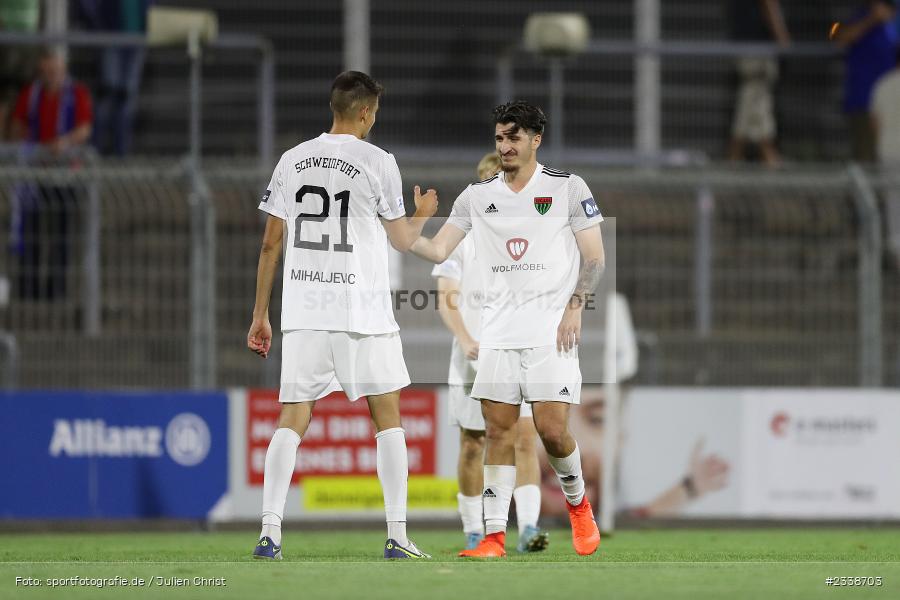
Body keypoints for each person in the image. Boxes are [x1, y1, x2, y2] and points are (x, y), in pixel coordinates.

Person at [246, 71, 438, 560]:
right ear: (365, 112)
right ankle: (397, 535)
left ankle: (269, 532)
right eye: (375, 113)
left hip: (304, 310)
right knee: (387, 418)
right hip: (362, 311)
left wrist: (260, 314)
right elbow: (402, 240)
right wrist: (423, 212)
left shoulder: (291, 160)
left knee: (292, 418)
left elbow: (270, 243)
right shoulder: (378, 161)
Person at [411, 100, 605, 558]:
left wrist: (575, 305)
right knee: (497, 434)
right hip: (498, 335)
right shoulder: (476, 196)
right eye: (499, 138)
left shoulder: (568, 188)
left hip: (550, 334)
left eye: (514, 137)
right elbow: (437, 251)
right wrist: (411, 225)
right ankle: (494, 536)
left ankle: (578, 506)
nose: (505, 146)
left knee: (551, 432)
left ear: (536, 139)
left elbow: (595, 257)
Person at [431, 151, 548, 553]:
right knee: (472, 444)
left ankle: (528, 528)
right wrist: (465, 338)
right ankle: (473, 530)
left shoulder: (530, 240)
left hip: (519, 352)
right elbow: (446, 296)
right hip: (473, 357)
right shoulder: (460, 240)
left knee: (524, 438)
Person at [9, 48, 93, 301]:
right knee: (31, 231)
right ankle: (29, 288)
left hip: (64, 173)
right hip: (35, 172)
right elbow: (18, 124)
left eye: (55, 70)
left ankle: (57, 289)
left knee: (60, 234)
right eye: (46, 71)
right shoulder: (31, 94)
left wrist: (63, 143)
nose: (50, 76)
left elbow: (84, 129)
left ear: (63, 69)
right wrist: (28, 144)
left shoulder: (76, 93)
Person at [74, 0, 152, 156]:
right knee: (107, 94)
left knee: (126, 98)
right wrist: (98, 24)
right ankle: (96, 149)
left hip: (137, 41)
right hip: (110, 37)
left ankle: (121, 153)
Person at [832, 0, 898, 162]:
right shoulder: (860, 16)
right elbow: (840, 39)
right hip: (863, 99)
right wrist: (871, 19)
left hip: (891, 101)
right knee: (865, 156)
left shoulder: (893, 21)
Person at [727, 0, 791, 167]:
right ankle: (765, 154)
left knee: (753, 101)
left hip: (746, 47)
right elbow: (769, 5)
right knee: (756, 99)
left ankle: (739, 156)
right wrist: (782, 38)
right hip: (758, 50)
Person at [872, 48, 900, 268]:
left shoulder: (882, 84)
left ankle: (897, 253)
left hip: (889, 151)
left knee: (893, 206)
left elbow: (875, 123)